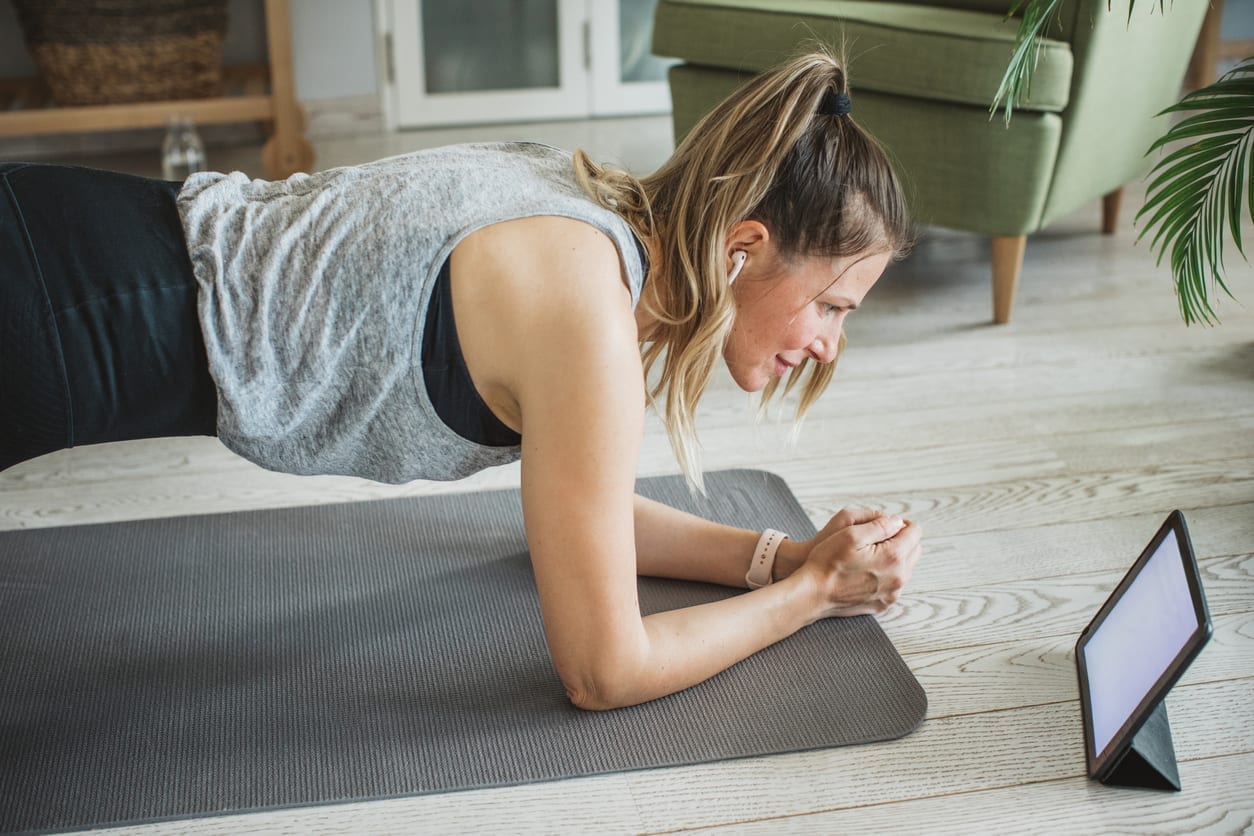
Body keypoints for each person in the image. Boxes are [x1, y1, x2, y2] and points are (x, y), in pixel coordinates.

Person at [1, 50, 921, 710]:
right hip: (55, 316)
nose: (831, 345)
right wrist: (810, 599)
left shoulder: (587, 213)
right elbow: (605, 671)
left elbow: (581, 518)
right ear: (745, 249)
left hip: (65, 242)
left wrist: (781, 558)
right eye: (834, 306)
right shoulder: (590, 317)